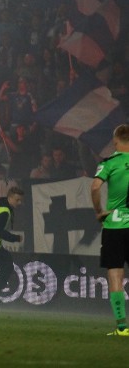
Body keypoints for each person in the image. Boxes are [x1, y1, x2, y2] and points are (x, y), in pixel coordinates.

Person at [90, 124, 129, 336]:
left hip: (114, 225)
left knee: (115, 275)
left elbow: (95, 187)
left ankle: (122, 327)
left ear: (115, 142)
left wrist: (99, 211)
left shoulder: (110, 162)